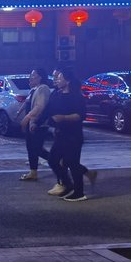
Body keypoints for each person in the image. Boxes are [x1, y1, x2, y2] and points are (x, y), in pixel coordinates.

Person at [45, 68, 89, 202]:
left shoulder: (76, 96)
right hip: (60, 134)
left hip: (73, 135)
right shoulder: (56, 94)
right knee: (52, 159)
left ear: (68, 81)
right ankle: (67, 183)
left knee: (73, 163)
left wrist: (64, 117)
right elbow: (49, 110)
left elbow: (81, 115)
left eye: (60, 78)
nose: (57, 80)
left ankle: (79, 193)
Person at [18, 68, 52, 181]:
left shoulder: (43, 88)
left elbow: (39, 106)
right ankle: (33, 172)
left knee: (37, 149)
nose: (30, 77)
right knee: (31, 147)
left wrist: (28, 118)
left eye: (33, 75)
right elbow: (27, 103)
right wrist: (19, 113)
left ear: (40, 77)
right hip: (31, 122)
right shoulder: (34, 89)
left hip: (38, 123)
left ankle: (57, 161)